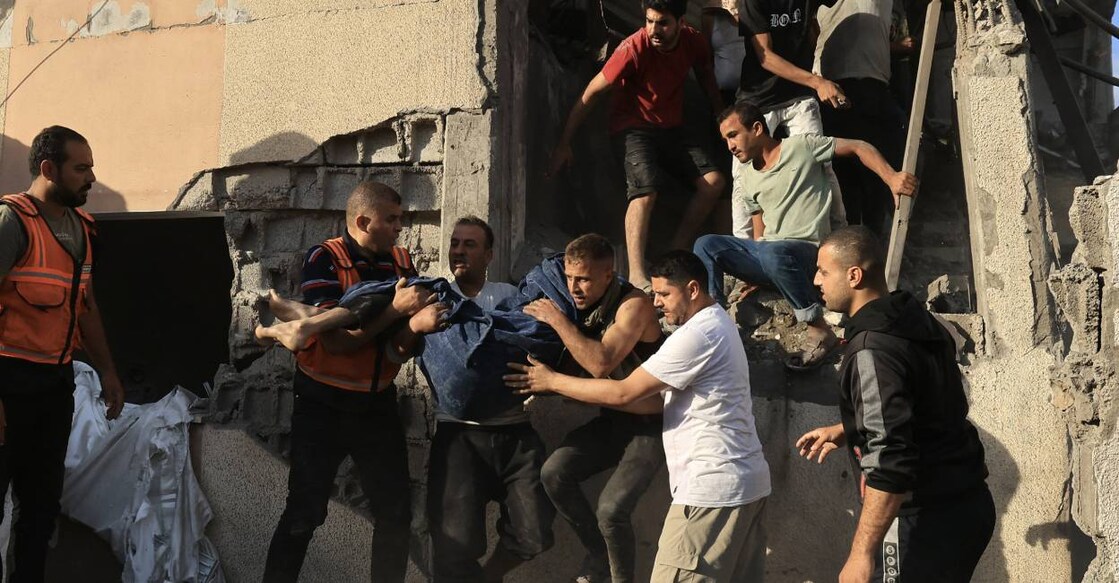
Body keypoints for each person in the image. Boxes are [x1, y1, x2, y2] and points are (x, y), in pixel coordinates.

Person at [507, 250, 772, 583]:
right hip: (746, 485)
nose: (656, 303)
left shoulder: (697, 336)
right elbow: (648, 400)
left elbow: (623, 391)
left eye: (664, 294)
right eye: (655, 293)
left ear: (692, 290)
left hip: (711, 491)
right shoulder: (717, 323)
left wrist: (552, 381)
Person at [797, 226, 994, 582]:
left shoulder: (872, 348)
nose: (815, 280)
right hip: (967, 506)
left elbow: (890, 460)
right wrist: (850, 427)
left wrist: (861, 554)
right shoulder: (915, 320)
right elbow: (928, 403)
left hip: (924, 520)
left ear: (854, 275)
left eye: (824, 271)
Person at [260, 181, 432, 583]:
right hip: (323, 403)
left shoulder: (402, 262)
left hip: (377, 405)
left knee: (395, 514)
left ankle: (295, 320)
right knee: (305, 512)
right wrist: (392, 311)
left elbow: (404, 339)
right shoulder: (325, 257)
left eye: (400, 219)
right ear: (362, 221)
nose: (399, 228)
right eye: (391, 220)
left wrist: (400, 324)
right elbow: (337, 345)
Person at [694, 101, 917, 370]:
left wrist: (891, 177)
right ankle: (712, 323)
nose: (729, 145)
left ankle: (818, 327)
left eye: (733, 135)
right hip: (771, 255)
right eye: (725, 140)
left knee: (774, 252)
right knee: (706, 244)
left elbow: (860, 146)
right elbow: (759, 228)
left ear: (756, 128)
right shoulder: (747, 174)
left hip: (808, 254)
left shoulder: (801, 147)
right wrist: (753, 267)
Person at [393, 216, 555, 583]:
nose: (459, 251)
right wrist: (414, 326)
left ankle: (490, 577)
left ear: (488, 255)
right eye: (455, 243)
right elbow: (396, 351)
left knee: (535, 532)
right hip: (459, 437)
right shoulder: (431, 300)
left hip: (515, 432)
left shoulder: (511, 298)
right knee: (453, 547)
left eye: (469, 244)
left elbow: (539, 342)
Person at [0, 125, 125, 582]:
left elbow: (85, 305)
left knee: (40, 509)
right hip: (6, 383)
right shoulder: (12, 222)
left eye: (91, 167)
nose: (91, 177)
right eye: (82, 168)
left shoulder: (83, 229)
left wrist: (108, 371)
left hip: (54, 385)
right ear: (49, 169)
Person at [549, 0, 726, 290]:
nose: (654, 29)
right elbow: (590, 93)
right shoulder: (632, 49)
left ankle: (673, 253)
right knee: (645, 191)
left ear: (681, 23)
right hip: (632, 128)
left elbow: (706, 76)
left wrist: (721, 114)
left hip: (671, 128)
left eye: (662, 23)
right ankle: (636, 273)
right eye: (649, 21)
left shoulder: (693, 42)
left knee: (714, 182)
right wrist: (564, 144)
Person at [521, 234, 664, 583]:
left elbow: (601, 363)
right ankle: (599, 555)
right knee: (554, 473)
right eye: (569, 278)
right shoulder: (577, 304)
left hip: (652, 424)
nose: (575, 287)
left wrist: (557, 320)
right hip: (614, 419)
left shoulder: (634, 305)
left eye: (583, 278)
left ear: (608, 274)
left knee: (611, 510)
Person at [733, 0, 849, 240]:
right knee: (743, 174)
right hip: (759, 97)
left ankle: (841, 242)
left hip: (798, 94)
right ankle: (743, 251)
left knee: (821, 162)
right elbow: (765, 57)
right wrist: (817, 81)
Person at [815, 0, 907, 235]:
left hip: (871, 86)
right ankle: (854, 245)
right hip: (831, 88)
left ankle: (874, 244)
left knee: (876, 177)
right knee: (843, 180)